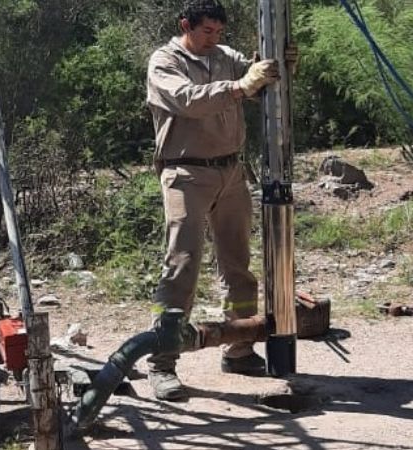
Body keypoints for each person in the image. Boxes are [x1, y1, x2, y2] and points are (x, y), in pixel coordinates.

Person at [145, 0, 293, 400]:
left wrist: (279, 66)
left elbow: (257, 76)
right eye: (206, 31)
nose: (214, 39)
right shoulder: (164, 62)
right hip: (186, 174)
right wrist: (241, 86)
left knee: (238, 264)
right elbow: (189, 100)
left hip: (230, 171)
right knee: (182, 265)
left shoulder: (225, 56)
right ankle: (161, 359)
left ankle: (239, 348)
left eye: (219, 32)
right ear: (186, 25)